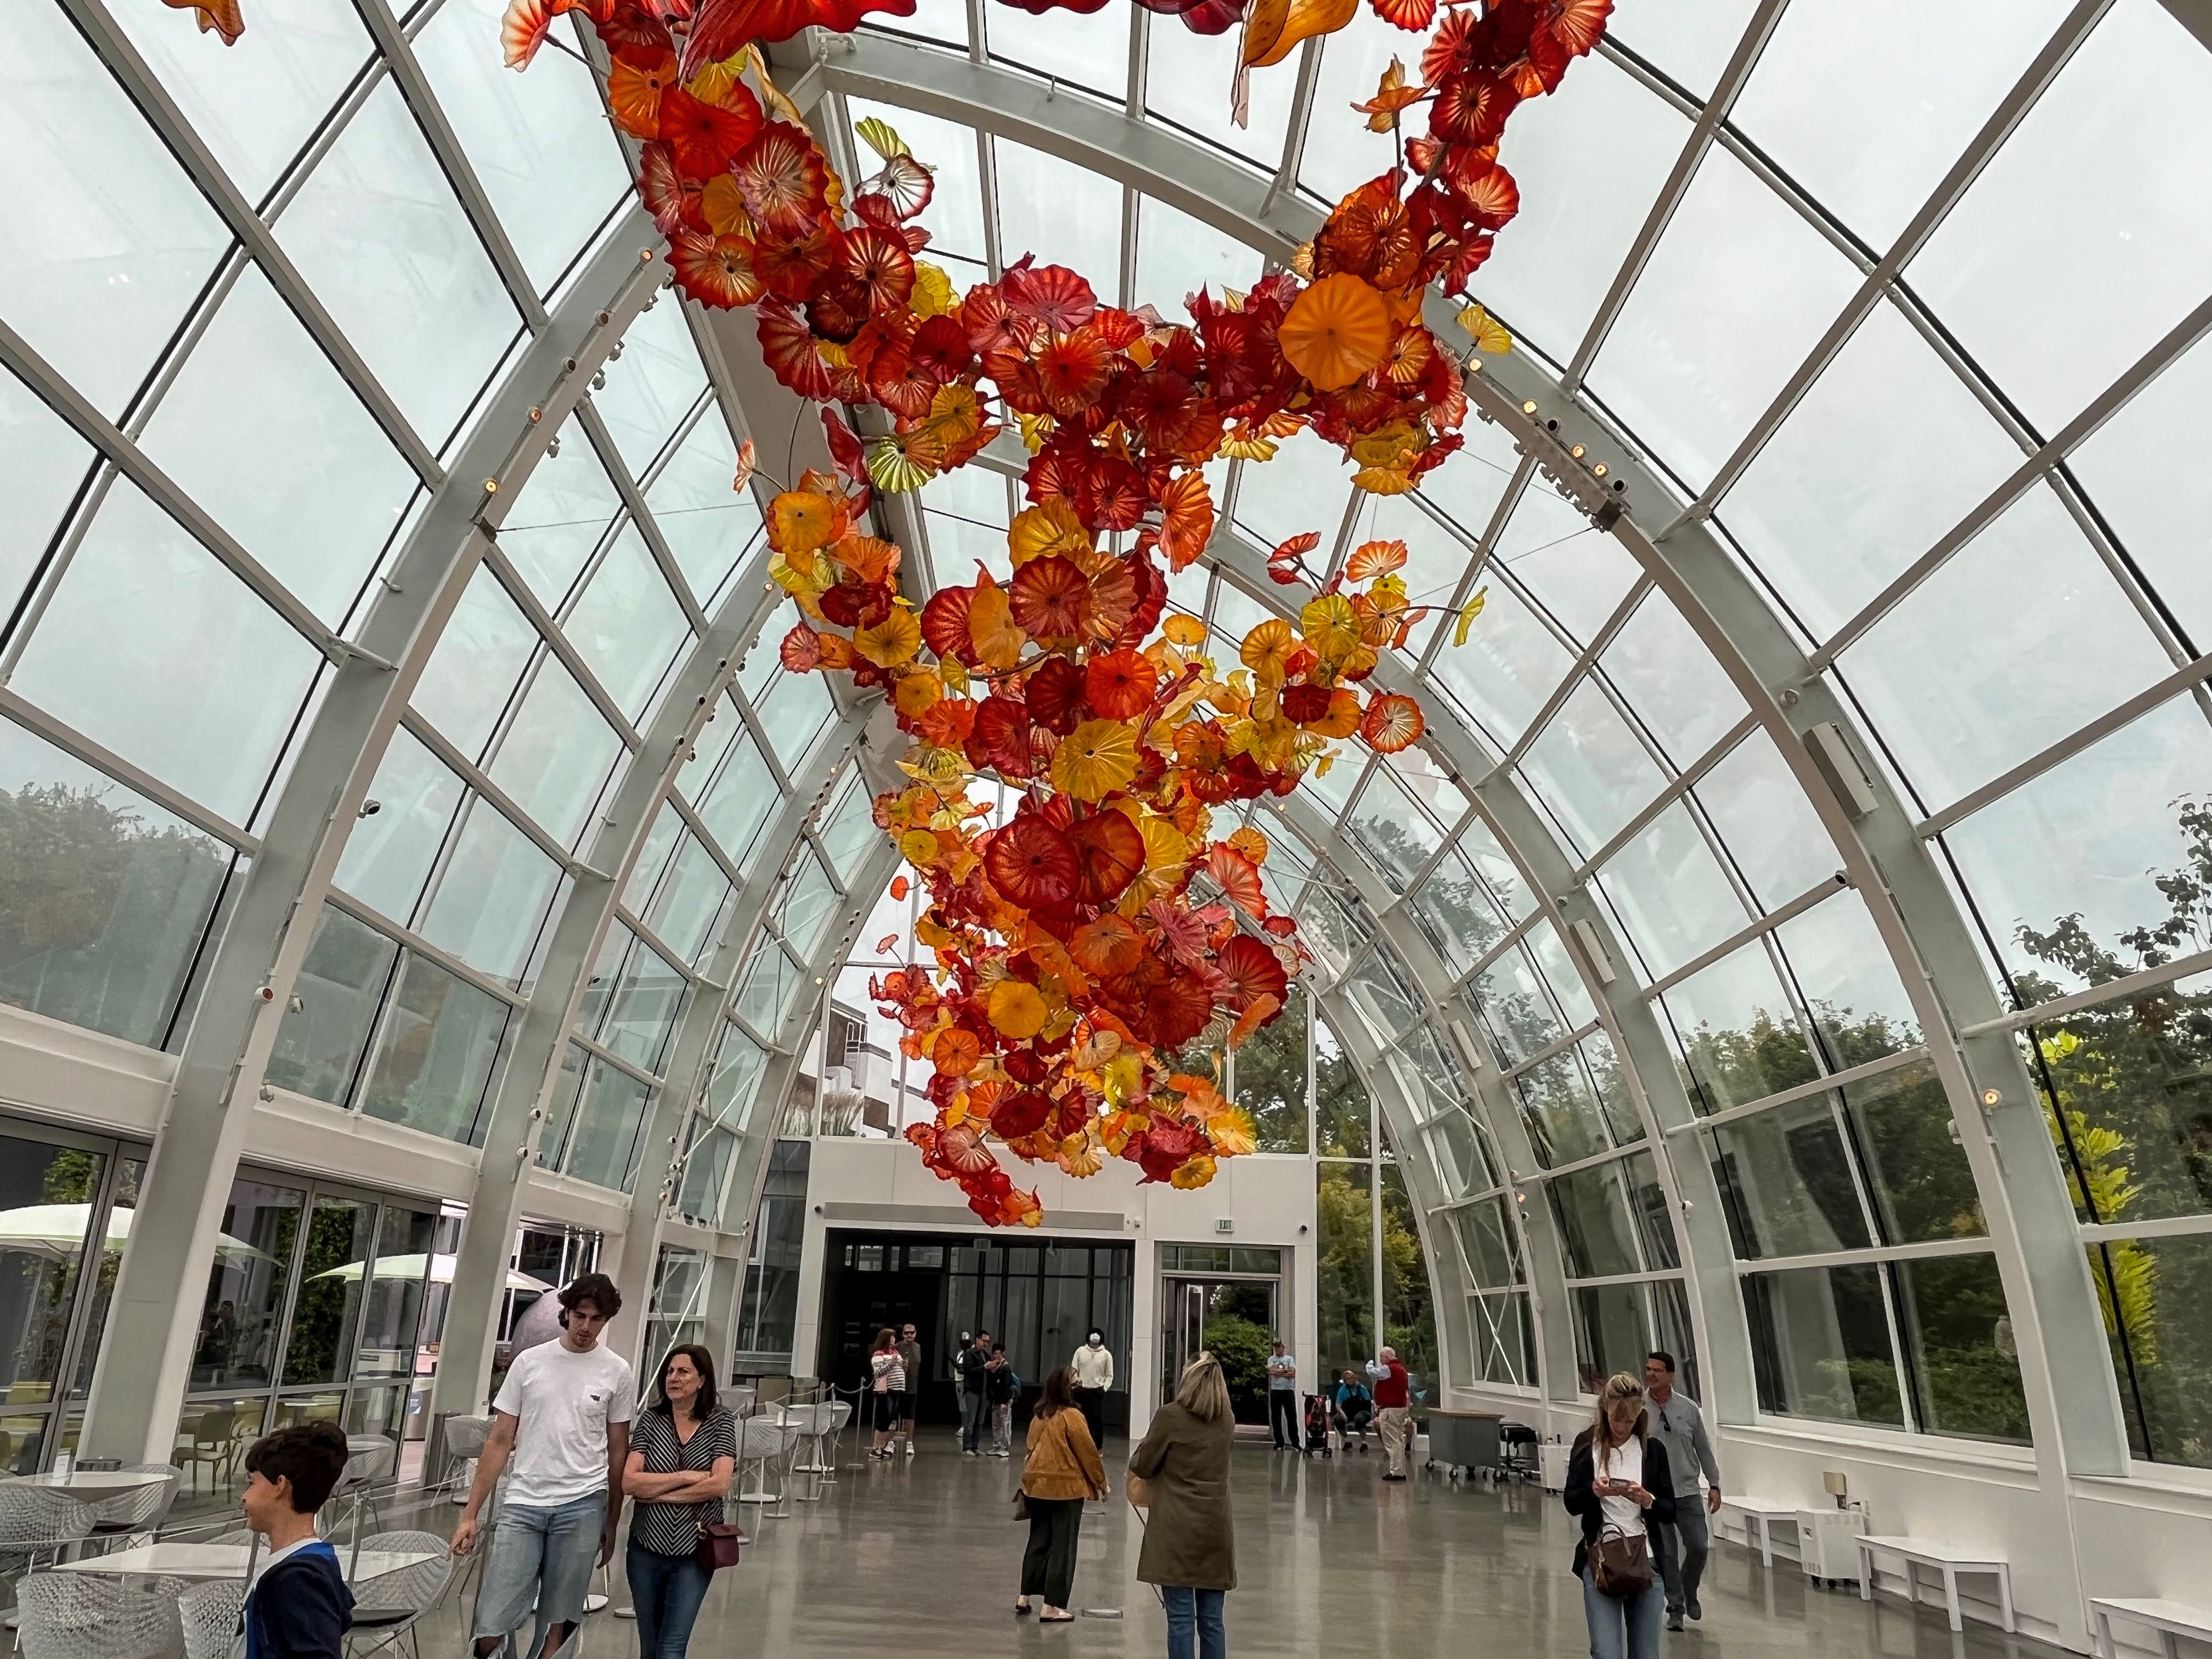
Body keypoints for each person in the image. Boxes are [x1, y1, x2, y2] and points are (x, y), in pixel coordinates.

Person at [453, 1272, 636, 1659]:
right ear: (566, 1312)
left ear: (606, 1321)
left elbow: (618, 1451)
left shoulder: (617, 1371)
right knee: (492, 1621)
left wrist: (612, 1521)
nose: (586, 1327)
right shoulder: (529, 1363)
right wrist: (470, 1514)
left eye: (596, 1319)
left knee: (560, 1623)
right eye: (580, 1315)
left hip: (584, 1504)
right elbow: (500, 1440)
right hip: (523, 1504)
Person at [622, 1345, 736, 1659]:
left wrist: (657, 1493)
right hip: (645, 1549)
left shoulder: (721, 1421)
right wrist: (687, 1476)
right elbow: (629, 1481)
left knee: (672, 1646)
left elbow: (719, 1484)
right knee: (650, 1644)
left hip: (694, 1552)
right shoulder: (651, 1421)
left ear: (702, 1380)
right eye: (670, 1371)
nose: (674, 1378)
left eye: (683, 1371)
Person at [1130, 1352, 1237, 1659]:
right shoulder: (1227, 1419)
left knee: (1179, 1619)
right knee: (1213, 1622)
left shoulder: (1170, 1416)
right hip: (1215, 1528)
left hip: (1175, 1526)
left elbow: (1144, 1464)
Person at [1566, 1373, 1675, 1659]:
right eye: (1616, 1419)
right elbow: (1571, 1502)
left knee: (1646, 1654)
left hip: (1647, 1562)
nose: (1621, 1427)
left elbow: (1670, 1511)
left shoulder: (1653, 1451)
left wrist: (1647, 1499)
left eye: (1629, 1421)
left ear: (1639, 1415)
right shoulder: (1586, 1444)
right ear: (1605, 1409)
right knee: (1606, 1651)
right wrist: (1594, 1491)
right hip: (1601, 1560)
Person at [238, 1420, 354, 1659]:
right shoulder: (312, 1562)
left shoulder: (298, 1578)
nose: (244, 1497)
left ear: (280, 1485)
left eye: (251, 1483)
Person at [1015, 1365, 1107, 1623]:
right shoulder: (1073, 1416)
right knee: (1063, 1547)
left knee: (1038, 1541)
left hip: (1037, 1486)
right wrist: (1101, 1483)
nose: (1079, 1382)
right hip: (1066, 1489)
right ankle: (1053, 1606)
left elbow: (1030, 1448)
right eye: (1075, 1379)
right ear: (1067, 1388)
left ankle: (1024, 1596)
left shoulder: (1039, 1416)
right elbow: (1087, 1453)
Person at [1643, 1351, 1722, 1631]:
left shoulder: (1688, 1409)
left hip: (1687, 1489)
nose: (1651, 1375)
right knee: (1666, 1553)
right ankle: (1675, 1607)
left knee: (1699, 1546)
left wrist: (1714, 1484)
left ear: (1671, 1375)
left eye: (1658, 1370)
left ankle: (1690, 1591)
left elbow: (1703, 1448)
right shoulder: (1638, 1408)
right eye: (1648, 1369)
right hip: (1655, 1494)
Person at [1365, 1347, 1412, 1480]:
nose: (1381, 1360)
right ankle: (1400, 1469)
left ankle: (1396, 1472)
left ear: (1389, 1357)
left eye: (1382, 1357)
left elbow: (1372, 1372)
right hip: (1399, 1409)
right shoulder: (1402, 1369)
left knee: (1392, 1441)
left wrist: (1369, 1364)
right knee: (1398, 1440)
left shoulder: (1389, 1369)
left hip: (1390, 1410)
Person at [868, 1328, 907, 1459]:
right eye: (892, 1337)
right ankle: (876, 1447)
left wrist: (904, 1366)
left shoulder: (896, 1352)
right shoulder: (878, 1354)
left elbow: (900, 1367)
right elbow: (878, 1372)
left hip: (897, 1389)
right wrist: (891, 1364)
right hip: (886, 1391)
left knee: (891, 1418)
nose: (894, 1340)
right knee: (884, 1419)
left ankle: (884, 1446)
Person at [1071, 1329, 1114, 1446]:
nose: (1094, 1345)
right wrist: (1075, 1384)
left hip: (1097, 1390)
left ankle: (1098, 1446)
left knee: (1097, 1418)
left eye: (1097, 1343)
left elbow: (1109, 1375)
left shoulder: (1106, 1355)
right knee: (1082, 1418)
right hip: (1082, 1389)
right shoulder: (1080, 1351)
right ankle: (1081, 1444)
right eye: (1092, 1342)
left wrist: (1104, 1389)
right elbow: (1074, 1369)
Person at [958, 1329, 994, 1457]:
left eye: (988, 1342)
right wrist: (984, 1367)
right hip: (973, 1391)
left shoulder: (986, 1355)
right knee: (971, 1421)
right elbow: (967, 1371)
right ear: (978, 1339)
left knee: (980, 1421)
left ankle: (975, 1446)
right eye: (984, 1341)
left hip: (984, 1392)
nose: (986, 1344)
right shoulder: (969, 1354)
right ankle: (966, 1447)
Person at [988, 1342, 1020, 1458]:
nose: (996, 1356)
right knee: (996, 1423)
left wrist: (1004, 1401)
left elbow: (1006, 1386)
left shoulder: (1005, 1367)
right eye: (994, 1354)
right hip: (996, 1401)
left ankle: (1005, 1447)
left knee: (1004, 1422)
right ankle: (997, 1445)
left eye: (998, 1353)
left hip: (1004, 1402)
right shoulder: (994, 1368)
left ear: (1002, 1353)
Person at [1265, 1340, 1298, 1451]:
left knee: (1292, 1417)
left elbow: (1292, 1373)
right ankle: (1279, 1442)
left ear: (1284, 1348)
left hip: (1288, 1390)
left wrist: (1278, 1372)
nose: (1277, 1350)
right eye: (1276, 1348)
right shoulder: (1271, 1359)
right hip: (1276, 1390)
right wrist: (1285, 1371)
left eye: (1279, 1347)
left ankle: (1295, 1442)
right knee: (1276, 1418)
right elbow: (1271, 1371)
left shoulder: (1289, 1359)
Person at [895, 1323, 923, 1455]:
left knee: (910, 1415)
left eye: (912, 1332)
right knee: (894, 1414)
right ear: (903, 1334)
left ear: (916, 1333)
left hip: (912, 1385)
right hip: (898, 1384)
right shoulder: (897, 1347)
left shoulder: (918, 1347)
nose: (910, 1335)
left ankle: (909, 1442)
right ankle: (890, 1442)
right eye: (907, 1333)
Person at [1331, 1372, 1373, 1450]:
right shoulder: (1343, 1390)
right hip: (1349, 1411)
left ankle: (1363, 1442)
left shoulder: (1362, 1388)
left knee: (1359, 1419)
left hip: (1363, 1411)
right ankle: (1347, 1440)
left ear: (1355, 1378)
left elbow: (1368, 1402)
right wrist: (1343, 1414)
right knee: (1337, 1419)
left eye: (1351, 1378)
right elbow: (1338, 1405)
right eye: (1347, 1379)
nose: (1350, 1380)